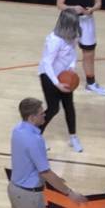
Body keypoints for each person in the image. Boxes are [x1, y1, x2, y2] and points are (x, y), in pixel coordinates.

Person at [55, 0, 105, 94]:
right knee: (64, 52)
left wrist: (92, 9)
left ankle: (90, 83)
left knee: (89, 52)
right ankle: (59, 80)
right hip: (69, 20)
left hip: (87, 20)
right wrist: (74, 8)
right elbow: (60, 4)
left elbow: (99, 3)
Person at [37, 11, 83, 151]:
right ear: (67, 25)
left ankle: (73, 137)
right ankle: (37, 136)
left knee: (69, 106)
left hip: (64, 75)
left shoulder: (74, 35)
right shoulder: (54, 40)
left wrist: (71, 67)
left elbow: (73, 53)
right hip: (49, 75)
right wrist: (57, 83)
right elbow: (47, 63)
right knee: (53, 108)